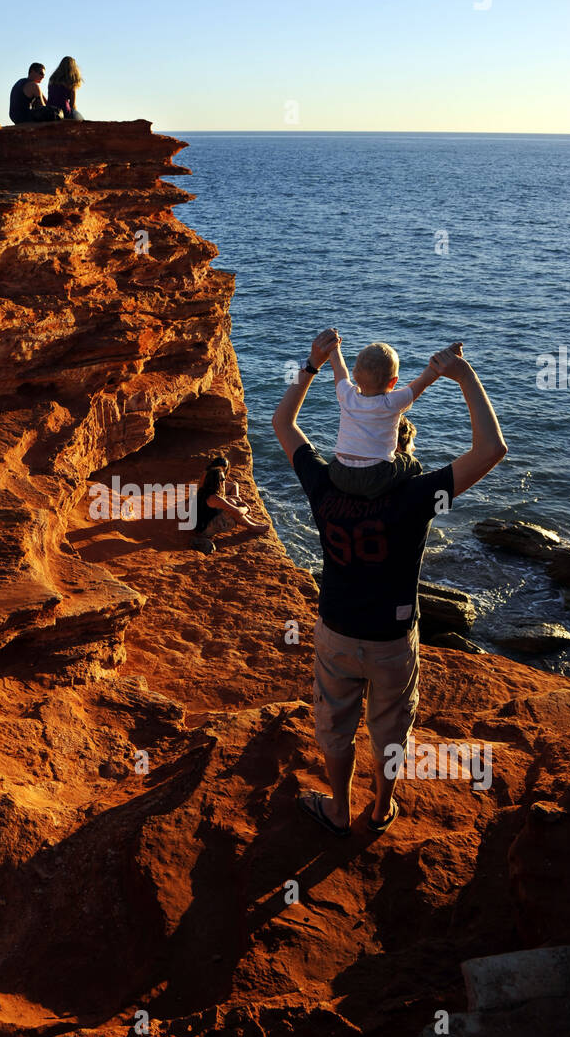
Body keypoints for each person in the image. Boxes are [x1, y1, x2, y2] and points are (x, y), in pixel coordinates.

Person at [272, 330, 507, 838]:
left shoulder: (323, 482)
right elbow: (491, 449)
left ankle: (338, 810)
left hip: (336, 628)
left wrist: (313, 366)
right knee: (390, 729)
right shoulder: (417, 495)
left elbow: (282, 423)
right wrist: (461, 374)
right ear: (402, 441)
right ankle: (381, 809)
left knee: (335, 726)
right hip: (392, 639)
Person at [326, 336, 461, 498]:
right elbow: (425, 379)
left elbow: (339, 368)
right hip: (377, 476)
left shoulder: (346, 395)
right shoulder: (393, 402)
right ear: (393, 382)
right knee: (411, 463)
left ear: (355, 376)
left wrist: (334, 348)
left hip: (339, 472)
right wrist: (449, 354)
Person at [190, 457, 267, 553]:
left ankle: (254, 523)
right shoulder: (215, 498)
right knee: (232, 510)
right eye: (222, 479)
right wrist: (246, 508)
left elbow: (225, 500)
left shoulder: (207, 492)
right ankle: (253, 527)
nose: (224, 480)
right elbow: (237, 511)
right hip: (204, 531)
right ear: (216, 481)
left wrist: (238, 502)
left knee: (232, 502)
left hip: (200, 526)